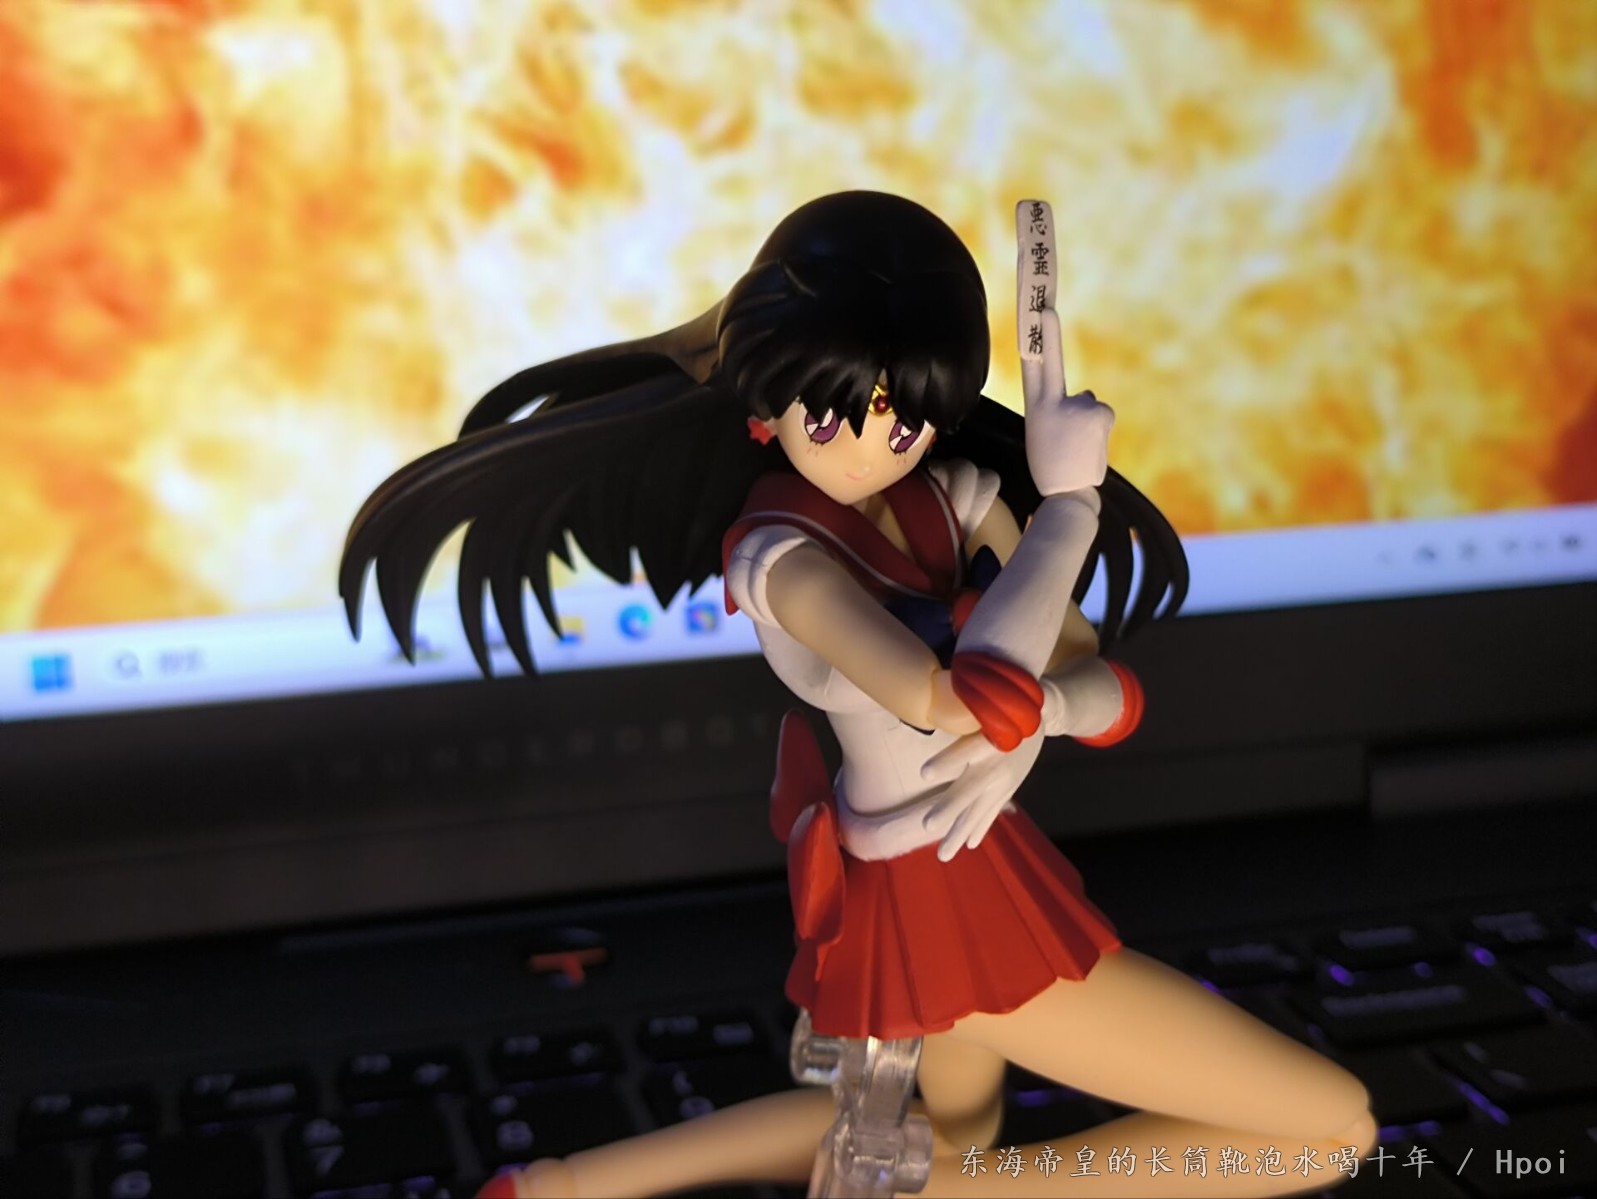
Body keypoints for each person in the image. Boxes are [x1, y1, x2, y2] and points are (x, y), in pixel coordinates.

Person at [342, 192, 1374, 1197]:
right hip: (937, 894)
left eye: (909, 418)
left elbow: (1091, 673)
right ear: (766, 403)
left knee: (933, 1130)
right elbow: (948, 696)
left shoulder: (951, 497)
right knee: (1332, 1127)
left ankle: (561, 1184)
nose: (881, 444)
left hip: (969, 861)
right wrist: (1067, 510)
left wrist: (1051, 713)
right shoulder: (782, 560)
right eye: (841, 415)